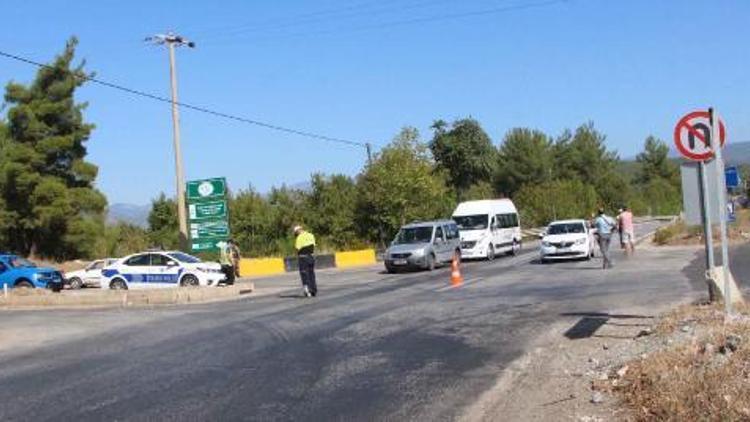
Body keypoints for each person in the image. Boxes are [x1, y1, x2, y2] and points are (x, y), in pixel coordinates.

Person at [293, 225, 317, 297]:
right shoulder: (311, 235)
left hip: (303, 258)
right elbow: (313, 246)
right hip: (311, 257)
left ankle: (307, 290)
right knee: (311, 273)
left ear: (298, 231)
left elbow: (297, 249)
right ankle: (313, 289)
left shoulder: (299, 238)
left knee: (304, 273)